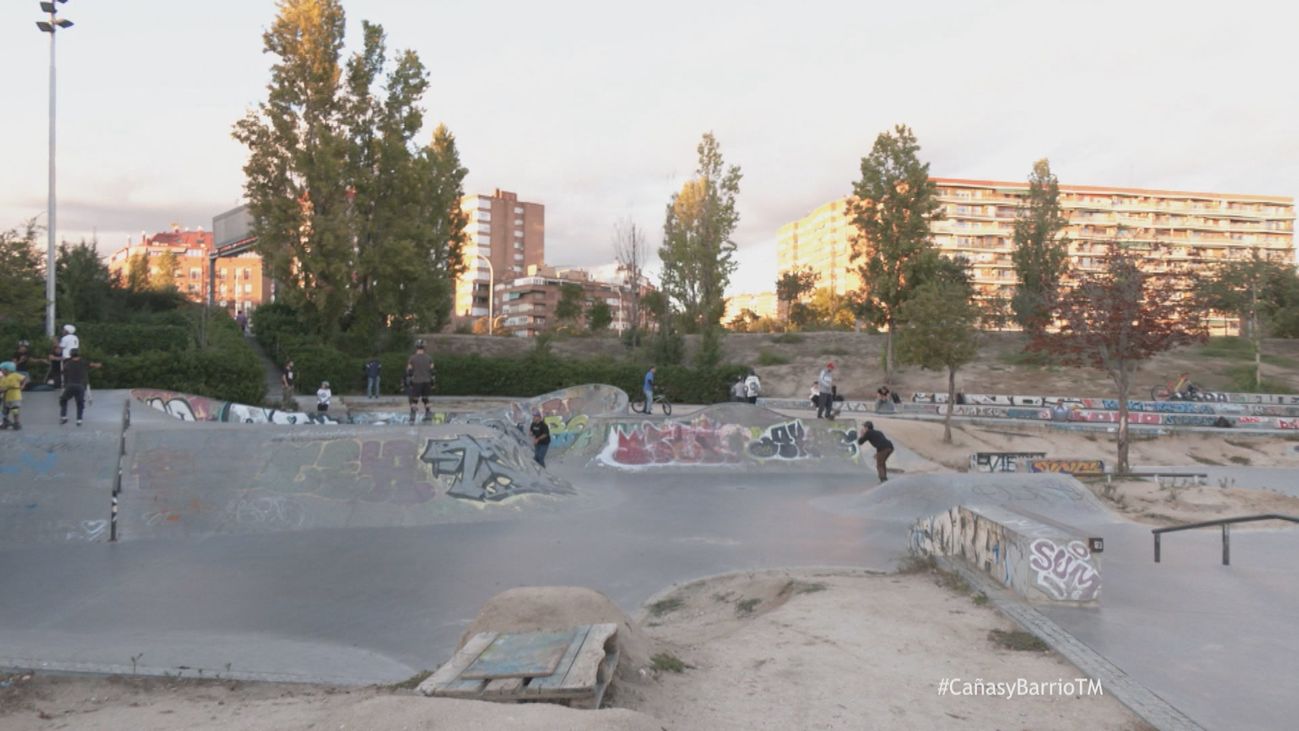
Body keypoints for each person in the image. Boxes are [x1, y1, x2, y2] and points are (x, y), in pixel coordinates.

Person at [58, 349, 100, 426]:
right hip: (81, 386)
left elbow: (63, 372)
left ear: (71, 355)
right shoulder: (84, 362)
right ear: (79, 354)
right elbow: (93, 365)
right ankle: (79, 420)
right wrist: (98, 365)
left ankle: (64, 417)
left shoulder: (67, 364)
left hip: (70, 386)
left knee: (63, 400)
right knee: (80, 402)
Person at [407, 342, 435, 422]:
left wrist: (409, 380)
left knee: (414, 399)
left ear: (416, 348)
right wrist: (432, 381)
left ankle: (412, 416)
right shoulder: (429, 358)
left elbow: (409, 371)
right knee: (426, 399)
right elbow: (432, 371)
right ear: (424, 348)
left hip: (417, 381)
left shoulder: (412, 358)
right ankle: (428, 414)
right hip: (427, 381)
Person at [0, 361, 27, 430]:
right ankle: (5, 422)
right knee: (5, 410)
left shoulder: (15, 375)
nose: (1, 371)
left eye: (2, 369)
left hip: (15, 396)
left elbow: (24, 379)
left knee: (15, 409)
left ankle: (16, 422)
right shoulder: (3, 377)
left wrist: (23, 386)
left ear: (7, 369)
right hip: (6, 397)